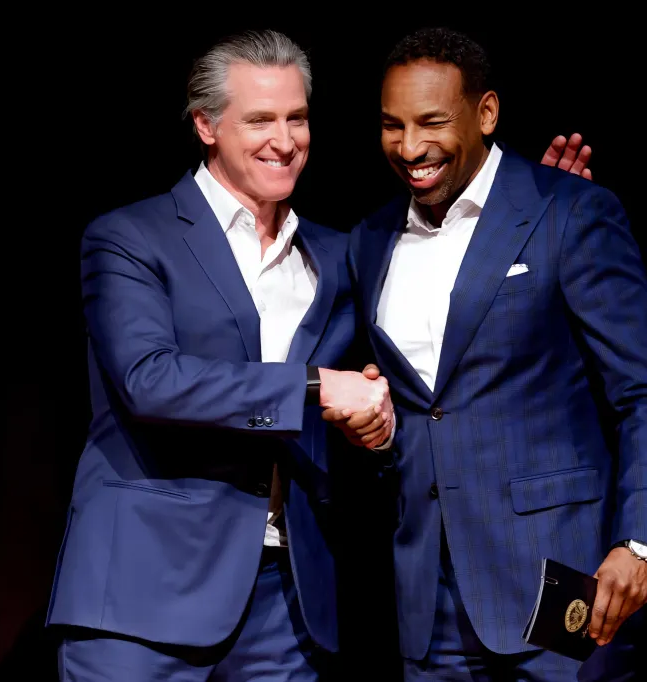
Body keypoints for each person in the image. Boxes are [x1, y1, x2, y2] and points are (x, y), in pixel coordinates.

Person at [45, 29, 594, 682]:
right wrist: (315, 388)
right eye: (260, 120)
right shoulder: (130, 237)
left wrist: (526, 219)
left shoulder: (340, 255)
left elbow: (414, 366)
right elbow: (150, 382)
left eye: (297, 118)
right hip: (142, 598)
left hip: (287, 606)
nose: (285, 139)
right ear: (205, 125)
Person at [333, 27, 647, 681]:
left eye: (432, 122)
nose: (410, 147)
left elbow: (646, 395)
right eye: (392, 126)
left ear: (486, 112)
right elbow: (418, 413)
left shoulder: (569, 212)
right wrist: (378, 439)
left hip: (562, 590)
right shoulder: (370, 240)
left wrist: (638, 542)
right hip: (427, 606)